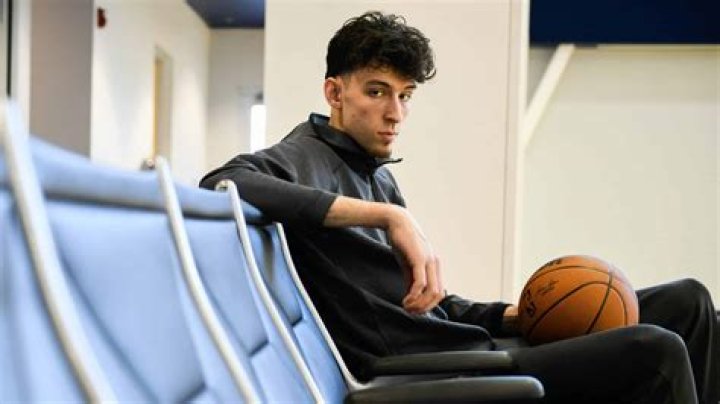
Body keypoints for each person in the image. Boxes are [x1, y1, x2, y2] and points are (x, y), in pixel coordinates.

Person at [201, 11, 719, 404]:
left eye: (405, 96)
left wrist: (512, 315)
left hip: (460, 339)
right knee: (656, 351)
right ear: (334, 93)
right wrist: (389, 216)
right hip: (432, 367)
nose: (395, 113)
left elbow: (433, 306)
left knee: (689, 302)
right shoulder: (303, 157)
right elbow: (223, 181)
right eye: (377, 92)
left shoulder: (374, 172)